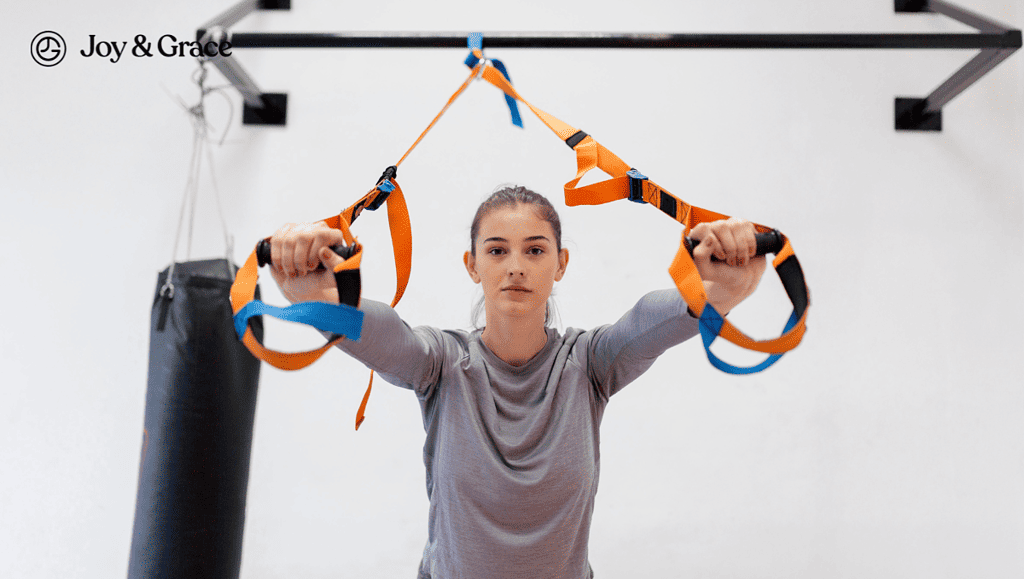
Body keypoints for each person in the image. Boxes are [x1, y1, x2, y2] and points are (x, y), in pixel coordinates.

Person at [267, 185, 766, 579]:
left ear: (560, 264)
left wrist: (713, 289)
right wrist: (321, 298)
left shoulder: (590, 363)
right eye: (497, 250)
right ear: (473, 265)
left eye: (534, 250)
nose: (516, 268)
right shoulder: (442, 363)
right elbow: (384, 336)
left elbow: (648, 321)